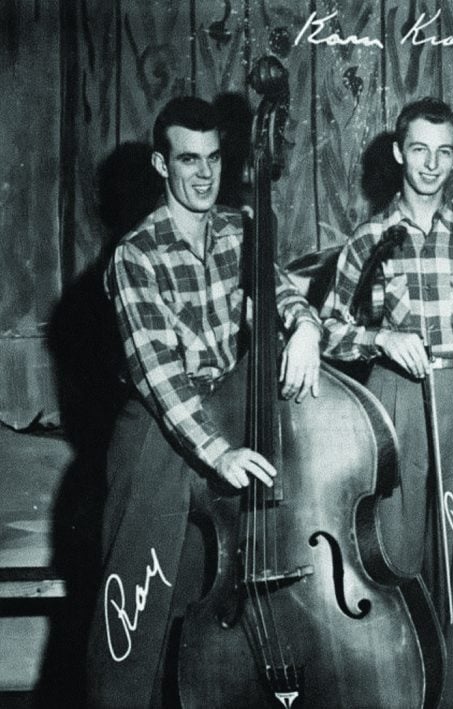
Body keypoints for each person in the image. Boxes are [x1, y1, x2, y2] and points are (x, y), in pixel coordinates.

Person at [85, 96, 322, 708]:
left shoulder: (242, 228)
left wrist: (306, 328)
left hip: (228, 431)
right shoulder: (135, 255)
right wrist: (218, 452)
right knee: (136, 628)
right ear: (162, 166)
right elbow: (159, 374)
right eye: (188, 160)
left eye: (214, 158)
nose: (204, 174)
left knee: (205, 613)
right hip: (159, 444)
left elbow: (284, 293)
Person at [320, 97, 453, 708]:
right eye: (418, 150)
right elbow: (329, 328)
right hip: (395, 398)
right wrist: (382, 337)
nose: (430, 164)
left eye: (443, 152)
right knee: (398, 556)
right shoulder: (369, 238)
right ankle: (404, 696)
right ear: (397, 153)